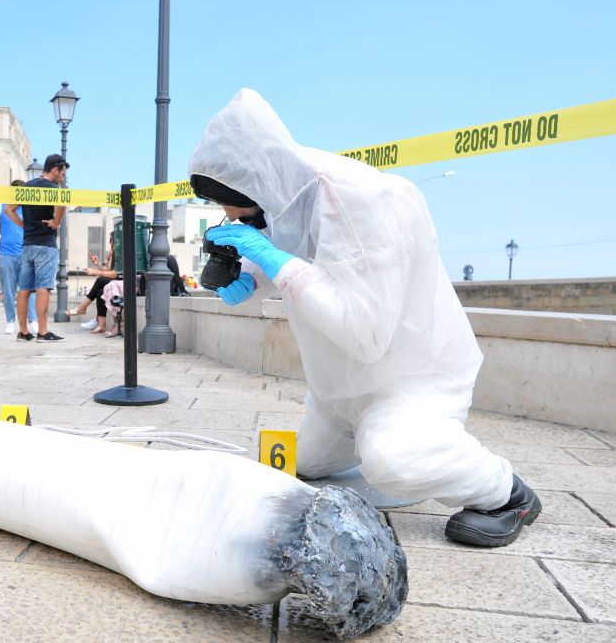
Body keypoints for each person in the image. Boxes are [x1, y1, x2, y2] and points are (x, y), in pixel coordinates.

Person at [189, 89, 540, 548]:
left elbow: (365, 334)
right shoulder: (281, 189)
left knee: (391, 461)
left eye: (232, 209)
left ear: (251, 187)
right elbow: (294, 248)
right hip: (338, 395)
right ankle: (366, 440)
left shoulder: (372, 204)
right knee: (300, 464)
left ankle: (508, 494)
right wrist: (253, 276)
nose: (230, 217)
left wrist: (274, 260)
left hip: (409, 381)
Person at [13, 154, 68, 343]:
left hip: (27, 245)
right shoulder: (53, 188)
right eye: (62, 174)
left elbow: (8, 209)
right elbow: (62, 203)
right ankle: (43, 332)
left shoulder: (26, 187)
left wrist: (23, 225)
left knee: (25, 289)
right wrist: (56, 222)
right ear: (55, 169)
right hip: (45, 244)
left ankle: (23, 331)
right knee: (43, 287)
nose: (62, 178)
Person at [0, 180, 37, 334]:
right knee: (8, 290)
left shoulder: (29, 209)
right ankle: (10, 321)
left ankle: (33, 320)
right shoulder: (0, 207)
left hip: (25, 254)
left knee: (29, 288)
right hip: (5, 254)